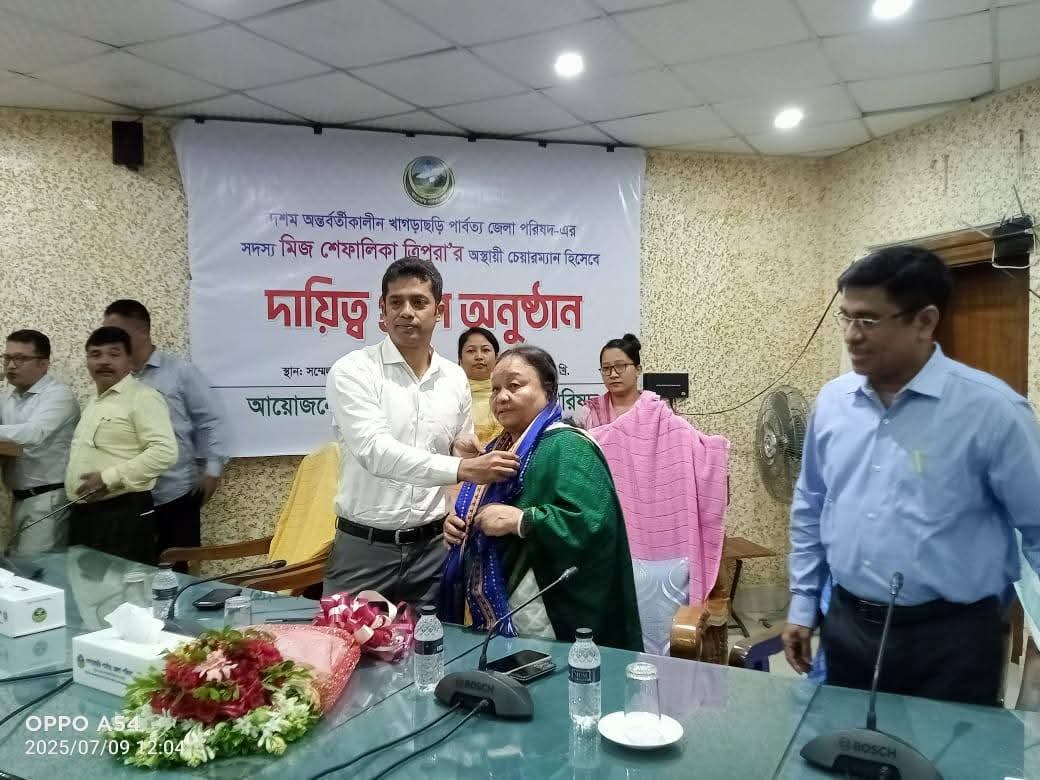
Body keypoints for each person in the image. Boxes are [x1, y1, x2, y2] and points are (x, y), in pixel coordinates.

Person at [784, 245, 1040, 706]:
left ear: (924, 321)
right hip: (848, 622)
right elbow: (811, 505)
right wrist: (803, 604)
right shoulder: (834, 402)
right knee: (842, 743)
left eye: (868, 320)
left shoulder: (993, 412)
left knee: (945, 750)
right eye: (846, 317)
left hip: (953, 638)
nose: (852, 336)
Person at [324, 258, 519, 606]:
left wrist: (459, 454)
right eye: (396, 302)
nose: (406, 312)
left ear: (439, 311)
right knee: (343, 639)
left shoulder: (454, 378)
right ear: (382, 309)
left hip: (434, 551)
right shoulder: (353, 370)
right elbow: (376, 452)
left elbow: (456, 458)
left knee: (432, 640)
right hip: (364, 550)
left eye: (418, 302)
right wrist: (463, 467)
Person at [440, 345, 643, 651]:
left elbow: (594, 523)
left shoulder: (568, 445)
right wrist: (458, 526)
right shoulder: (497, 450)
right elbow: (479, 514)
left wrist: (522, 521)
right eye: (495, 389)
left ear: (547, 390)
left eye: (514, 385)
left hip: (545, 608)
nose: (501, 397)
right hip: (501, 607)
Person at [103, 300, 227, 571]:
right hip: (129, 498)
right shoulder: (116, 378)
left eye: (116, 333)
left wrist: (212, 471)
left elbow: (211, 420)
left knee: (177, 578)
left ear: (141, 332)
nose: (110, 341)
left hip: (175, 494)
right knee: (133, 575)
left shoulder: (179, 372)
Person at [65, 327, 177, 564]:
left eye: (114, 354)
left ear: (130, 360)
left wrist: (108, 478)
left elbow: (165, 452)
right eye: (95, 354)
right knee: (84, 586)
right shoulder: (94, 402)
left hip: (122, 514)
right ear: (87, 361)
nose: (104, 361)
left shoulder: (143, 397)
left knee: (124, 586)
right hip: (85, 515)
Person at [0, 330, 80, 554]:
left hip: (47, 498)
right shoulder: (9, 397)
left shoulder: (58, 395)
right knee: (17, 565)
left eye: (21, 358)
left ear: (43, 364)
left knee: (37, 568)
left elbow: (33, 434)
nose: (11, 365)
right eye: (7, 358)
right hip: (17, 498)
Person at [572, 333, 644, 428]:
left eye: (620, 366)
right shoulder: (589, 413)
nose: (613, 374)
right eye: (606, 368)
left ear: (638, 370)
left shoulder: (657, 410)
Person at [458, 326, 502, 446]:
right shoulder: (453, 397)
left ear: (497, 358)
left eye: (486, 350)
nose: (479, 356)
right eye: (471, 351)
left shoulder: (509, 395)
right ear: (460, 359)